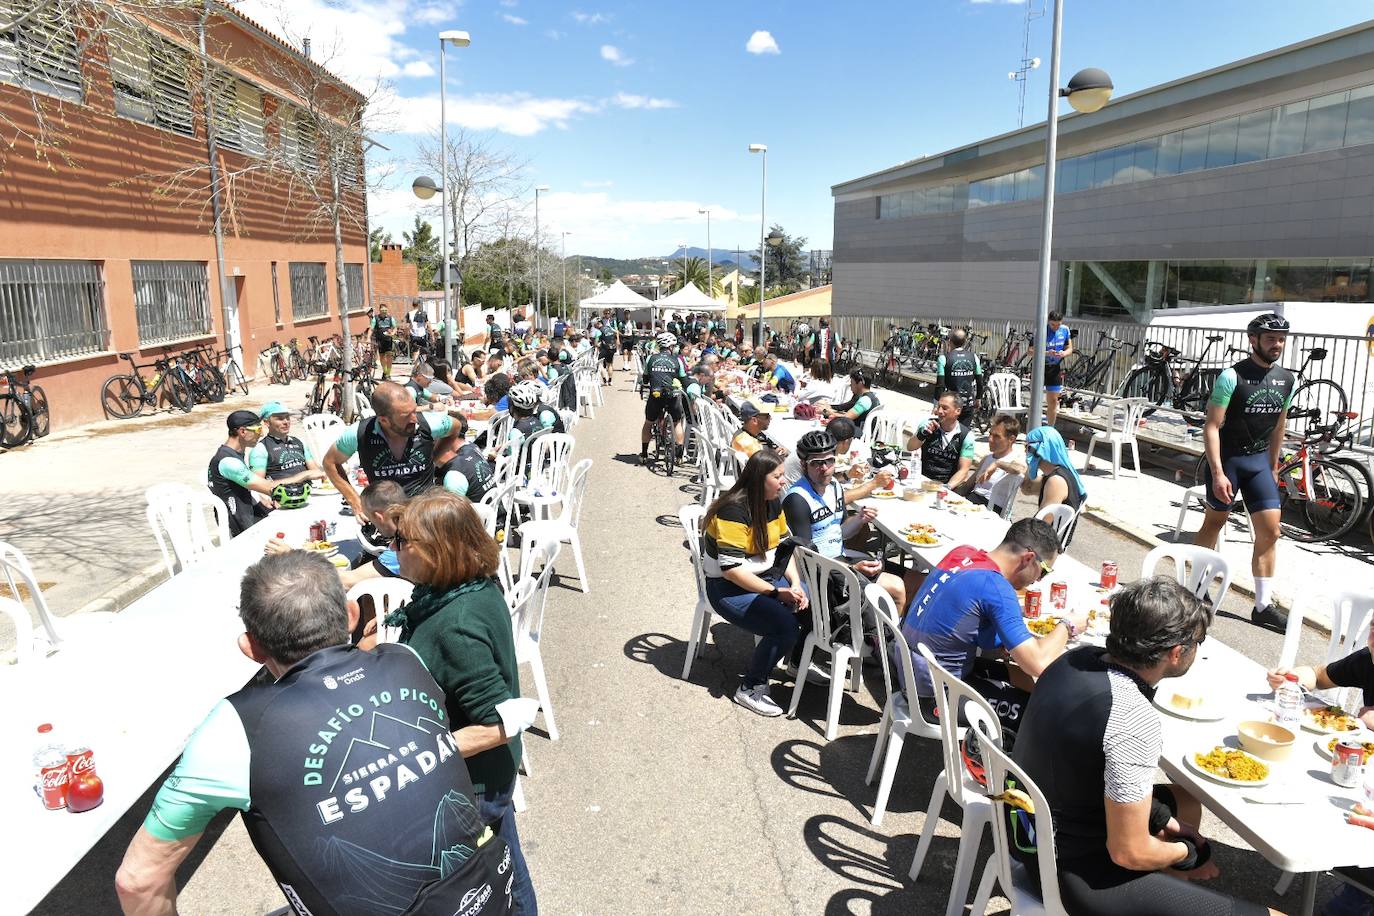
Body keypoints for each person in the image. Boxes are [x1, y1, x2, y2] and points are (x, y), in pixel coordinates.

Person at [114, 551, 517, 916]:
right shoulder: (406, 659)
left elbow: (138, 881)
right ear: (351, 615)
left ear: (251, 648)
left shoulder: (235, 729)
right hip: (487, 896)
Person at [1012, 578, 1281, 916]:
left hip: (1027, 831)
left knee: (1183, 802)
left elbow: (1086, 765)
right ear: (1176, 652)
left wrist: (1161, 818)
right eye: (1199, 641)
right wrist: (1184, 853)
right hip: (1073, 875)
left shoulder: (1075, 659)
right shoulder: (1131, 717)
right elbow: (1129, 853)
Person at [388, 490, 539, 914]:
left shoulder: (453, 624)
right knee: (505, 864)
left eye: (402, 542)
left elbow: (499, 723)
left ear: (437, 552)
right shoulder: (471, 586)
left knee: (471, 887)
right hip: (490, 774)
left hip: (471, 783)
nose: (393, 549)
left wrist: (423, 756)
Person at [900, 518, 1086, 733]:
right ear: (1028, 558)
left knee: (1022, 677)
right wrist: (1068, 624)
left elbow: (971, 626)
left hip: (911, 673)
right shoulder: (997, 588)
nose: (1038, 581)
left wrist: (1005, 641)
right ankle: (1004, 761)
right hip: (935, 698)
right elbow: (1038, 663)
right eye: (1044, 571)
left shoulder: (962, 553)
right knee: (1044, 716)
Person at [1193, 313, 1294, 632]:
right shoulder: (1231, 376)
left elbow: (1279, 424)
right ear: (1253, 340)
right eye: (1270, 339)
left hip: (1259, 464)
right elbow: (1211, 426)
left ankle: (1263, 605)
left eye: (1281, 339)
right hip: (1229, 462)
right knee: (1215, 522)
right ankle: (1194, 590)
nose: (1277, 345)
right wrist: (1218, 472)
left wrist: (1274, 466)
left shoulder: (1287, 379)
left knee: (1271, 532)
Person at [702, 450, 809, 717]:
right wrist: (776, 593)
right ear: (759, 479)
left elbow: (784, 549)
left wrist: (795, 583)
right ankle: (749, 687)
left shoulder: (773, 502)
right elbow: (731, 571)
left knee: (811, 603)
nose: (783, 481)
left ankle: (796, 662)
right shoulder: (733, 511)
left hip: (764, 577)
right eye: (778, 476)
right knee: (784, 626)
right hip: (726, 589)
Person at [783, 429, 907, 608]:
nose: (824, 468)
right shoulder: (798, 499)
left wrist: (859, 519)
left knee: (903, 584)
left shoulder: (834, 487)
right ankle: (880, 635)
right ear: (804, 465)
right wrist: (851, 570)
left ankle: (880, 634)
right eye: (816, 463)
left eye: (829, 461)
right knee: (896, 589)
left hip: (839, 560)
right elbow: (807, 558)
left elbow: (840, 532)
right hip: (821, 574)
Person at [323, 381, 461, 515]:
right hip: (385, 517)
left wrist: (433, 458)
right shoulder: (359, 433)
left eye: (414, 411)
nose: (415, 419)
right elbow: (330, 462)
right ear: (384, 420)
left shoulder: (429, 423)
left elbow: (456, 427)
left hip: (424, 513)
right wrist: (354, 501)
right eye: (406, 416)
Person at [210, 409, 278, 535]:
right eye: (258, 429)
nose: (262, 434)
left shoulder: (233, 454)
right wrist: (304, 476)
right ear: (242, 431)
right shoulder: (228, 461)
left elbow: (239, 486)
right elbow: (269, 487)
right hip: (240, 528)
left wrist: (258, 498)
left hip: (246, 516)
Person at [248, 401, 326, 508]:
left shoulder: (299, 442)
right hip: (283, 501)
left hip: (308, 495)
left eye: (287, 417)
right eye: (280, 418)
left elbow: (315, 471)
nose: (286, 422)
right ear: (266, 423)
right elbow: (257, 485)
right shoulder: (261, 449)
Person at [1020, 425, 1086, 546]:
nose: (1025, 451)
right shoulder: (1052, 475)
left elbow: (1042, 525)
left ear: (1040, 449)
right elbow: (1027, 488)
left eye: (1028, 447)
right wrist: (1029, 466)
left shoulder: (1056, 481)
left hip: (1047, 549)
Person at [905, 391, 976, 488]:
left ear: (957, 411)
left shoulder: (966, 436)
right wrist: (922, 434)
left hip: (947, 485)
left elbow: (963, 470)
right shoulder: (928, 425)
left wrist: (947, 487)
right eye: (939, 407)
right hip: (923, 481)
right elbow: (910, 447)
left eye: (945, 408)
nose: (939, 411)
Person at [961, 413, 1026, 514]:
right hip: (972, 502)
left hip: (991, 509)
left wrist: (997, 464)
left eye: (996, 436)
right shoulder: (988, 457)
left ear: (1011, 439)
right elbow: (968, 486)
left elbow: (1020, 469)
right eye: (990, 434)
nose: (990, 439)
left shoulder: (1016, 457)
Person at [641, 332, 688, 464]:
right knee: (677, 422)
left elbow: (645, 378)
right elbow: (683, 379)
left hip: (655, 395)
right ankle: (679, 456)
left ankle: (644, 454)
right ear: (671, 347)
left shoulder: (651, 358)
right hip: (672, 395)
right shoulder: (677, 360)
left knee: (648, 422)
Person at [435, 413, 497, 503]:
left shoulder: (454, 476)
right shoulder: (473, 447)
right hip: (492, 508)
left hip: (477, 513)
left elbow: (453, 513)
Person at [506, 380, 565, 457]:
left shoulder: (544, 414)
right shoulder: (535, 420)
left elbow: (511, 456)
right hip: (537, 456)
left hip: (555, 447)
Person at [939, 328, 984, 425]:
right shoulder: (974, 357)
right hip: (968, 403)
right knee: (964, 433)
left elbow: (940, 384)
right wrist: (978, 398)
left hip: (950, 404)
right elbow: (980, 381)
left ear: (949, 342)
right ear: (965, 342)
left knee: (948, 433)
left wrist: (937, 405)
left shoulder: (944, 359)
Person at [1041, 310, 1073, 426]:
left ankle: (1051, 428)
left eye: (1058, 324)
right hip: (1041, 367)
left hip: (1055, 367)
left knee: (1054, 401)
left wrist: (1064, 353)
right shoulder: (1042, 329)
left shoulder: (1065, 330)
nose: (1055, 327)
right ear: (1048, 322)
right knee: (1036, 400)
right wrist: (1047, 353)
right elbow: (1030, 351)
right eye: (1052, 325)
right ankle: (1034, 424)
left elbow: (1070, 348)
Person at [371, 303, 397, 379]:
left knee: (389, 356)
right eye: (382, 310)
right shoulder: (375, 318)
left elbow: (395, 327)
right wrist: (368, 338)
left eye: (385, 310)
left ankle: (388, 373)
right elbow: (371, 329)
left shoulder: (390, 318)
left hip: (388, 340)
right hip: (380, 340)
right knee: (382, 357)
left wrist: (393, 333)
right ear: (379, 310)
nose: (384, 312)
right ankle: (385, 372)